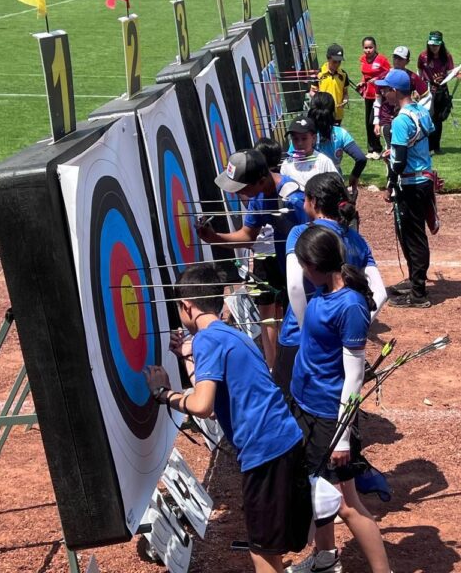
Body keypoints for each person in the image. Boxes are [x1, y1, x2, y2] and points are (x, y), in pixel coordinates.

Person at [143, 264, 311, 573]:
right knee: (270, 545)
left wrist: (163, 394)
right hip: (283, 441)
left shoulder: (207, 341)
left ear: (187, 306)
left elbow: (202, 404)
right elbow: (209, 389)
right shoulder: (226, 334)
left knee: (261, 551)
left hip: (265, 451)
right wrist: (186, 356)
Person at [284, 224, 391, 573]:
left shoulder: (350, 307)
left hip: (330, 418)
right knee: (318, 491)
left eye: (302, 265)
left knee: (346, 502)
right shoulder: (323, 293)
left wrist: (343, 437)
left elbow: (355, 376)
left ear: (314, 265)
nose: (300, 272)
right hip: (306, 405)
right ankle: (326, 560)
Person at [273, 172, 387, 399]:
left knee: (289, 402)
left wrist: (309, 329)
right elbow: (381, 294)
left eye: (305, 199)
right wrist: (354, 325)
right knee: (335, 396)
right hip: (339, 337)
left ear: (314, 202)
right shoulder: (357, 240)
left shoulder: (301, 233)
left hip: (298, 336)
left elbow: (295, 286)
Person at [196, 148, 308, 368]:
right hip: (289, 271)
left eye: (243, 187)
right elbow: (248, 235)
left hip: (308, 275)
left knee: (303, 330)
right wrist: (214, 238)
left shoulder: (293, 199)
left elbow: (316, 238)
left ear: (262, 179)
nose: (240, 193)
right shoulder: (259, 197)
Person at [375, 69, 436, 308]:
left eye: (386, 89)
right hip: (424, 178)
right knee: (414, 234)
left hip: (411, 183)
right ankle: (414, 280)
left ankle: (418, 293)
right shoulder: (421, 110)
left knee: (413, 237)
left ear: (396, 91)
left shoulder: (400, 120)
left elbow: (398, 163)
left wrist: (390, 184)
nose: (382, 93)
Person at [251, 138, 291, 370]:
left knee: (267, 315)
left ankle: (274, 367)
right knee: (285, 312)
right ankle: (282, 366)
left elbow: (249, 233)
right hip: (283, 255)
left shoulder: (260, 189)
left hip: (266, 256)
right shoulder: (285, 182)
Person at [305, 92, 367, 196]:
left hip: (309, 187)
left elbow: (291, 157)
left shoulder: (304, 135)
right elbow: (361, 158)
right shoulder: (340, 133)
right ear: (333, 111)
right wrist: (354, 176)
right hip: (334, 187)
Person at [373, 46, 431, 149]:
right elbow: (378, 100)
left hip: (406, 117)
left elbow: (426, 95)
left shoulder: (413, 77)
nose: (396, 61)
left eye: (400, 58)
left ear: (407, 61)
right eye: (395, 57)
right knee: (391, 147)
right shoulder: (383, 77)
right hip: (387, 118)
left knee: (404, 146)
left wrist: (417, 109)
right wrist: (376, 121)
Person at [417, 31, 459, 154]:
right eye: (431, 45)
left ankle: (436, 146)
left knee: (438, 119)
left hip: (441, 90)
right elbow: (419, 70)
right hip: (427, 90)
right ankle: (426, 146)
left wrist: (453, 75)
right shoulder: (423, 56)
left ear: (441, 44)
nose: (433, 48)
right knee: (426, 118)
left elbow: (450, 71)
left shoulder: (447, 56)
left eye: (436, 45)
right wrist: (418, 88)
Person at [280, 116, 339, 190]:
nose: (299, 143)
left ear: (313, 138)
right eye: (295, 138)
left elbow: (337, 188)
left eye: (304, 138)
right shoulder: (287, 164)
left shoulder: (323, 162)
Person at [357, 37, 391, 159]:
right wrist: (362, 82)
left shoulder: (382, 60)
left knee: (374, 121)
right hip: (368, 95)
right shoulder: (363, 59)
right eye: (366, 48)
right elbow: (365, 76)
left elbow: (390, 73)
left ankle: (378, 148)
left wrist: (377, 79)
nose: (368, 50)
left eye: (370, 47)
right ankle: (371, 149)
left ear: (375, 47)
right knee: (368, 123)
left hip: (379, 96)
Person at [311, 44, 351, 125]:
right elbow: (312, 92)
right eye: (334, 61)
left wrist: (345, 100)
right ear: (328, 58)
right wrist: (319, 103)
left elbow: (345, 93)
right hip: (322, 114)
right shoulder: (319, 73)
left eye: (339, 62)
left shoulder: (343, 74)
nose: (337, 64)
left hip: (337, 115)